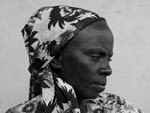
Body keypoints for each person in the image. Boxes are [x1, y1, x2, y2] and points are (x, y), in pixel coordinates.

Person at [6, 5, 143, 113]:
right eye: (95, 57)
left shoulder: (115, 107)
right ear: (56, 58)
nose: (108, 70)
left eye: (109, 59)